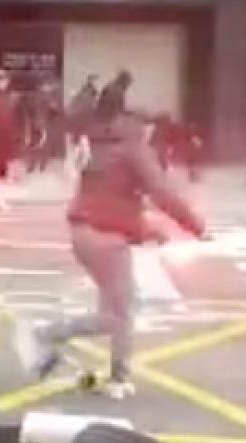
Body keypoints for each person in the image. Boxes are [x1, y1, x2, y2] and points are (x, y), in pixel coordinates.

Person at [17, 102, 207, 399]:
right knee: (119, 314)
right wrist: (196, 226)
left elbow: (111, 199)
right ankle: (100, 368)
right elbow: (160, 192)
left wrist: (146, 231)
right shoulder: (134, 148)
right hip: (105, 240)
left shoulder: (101, 146)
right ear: (144, 128)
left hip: (86, 233)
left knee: (113, 313)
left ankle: (68, 348)